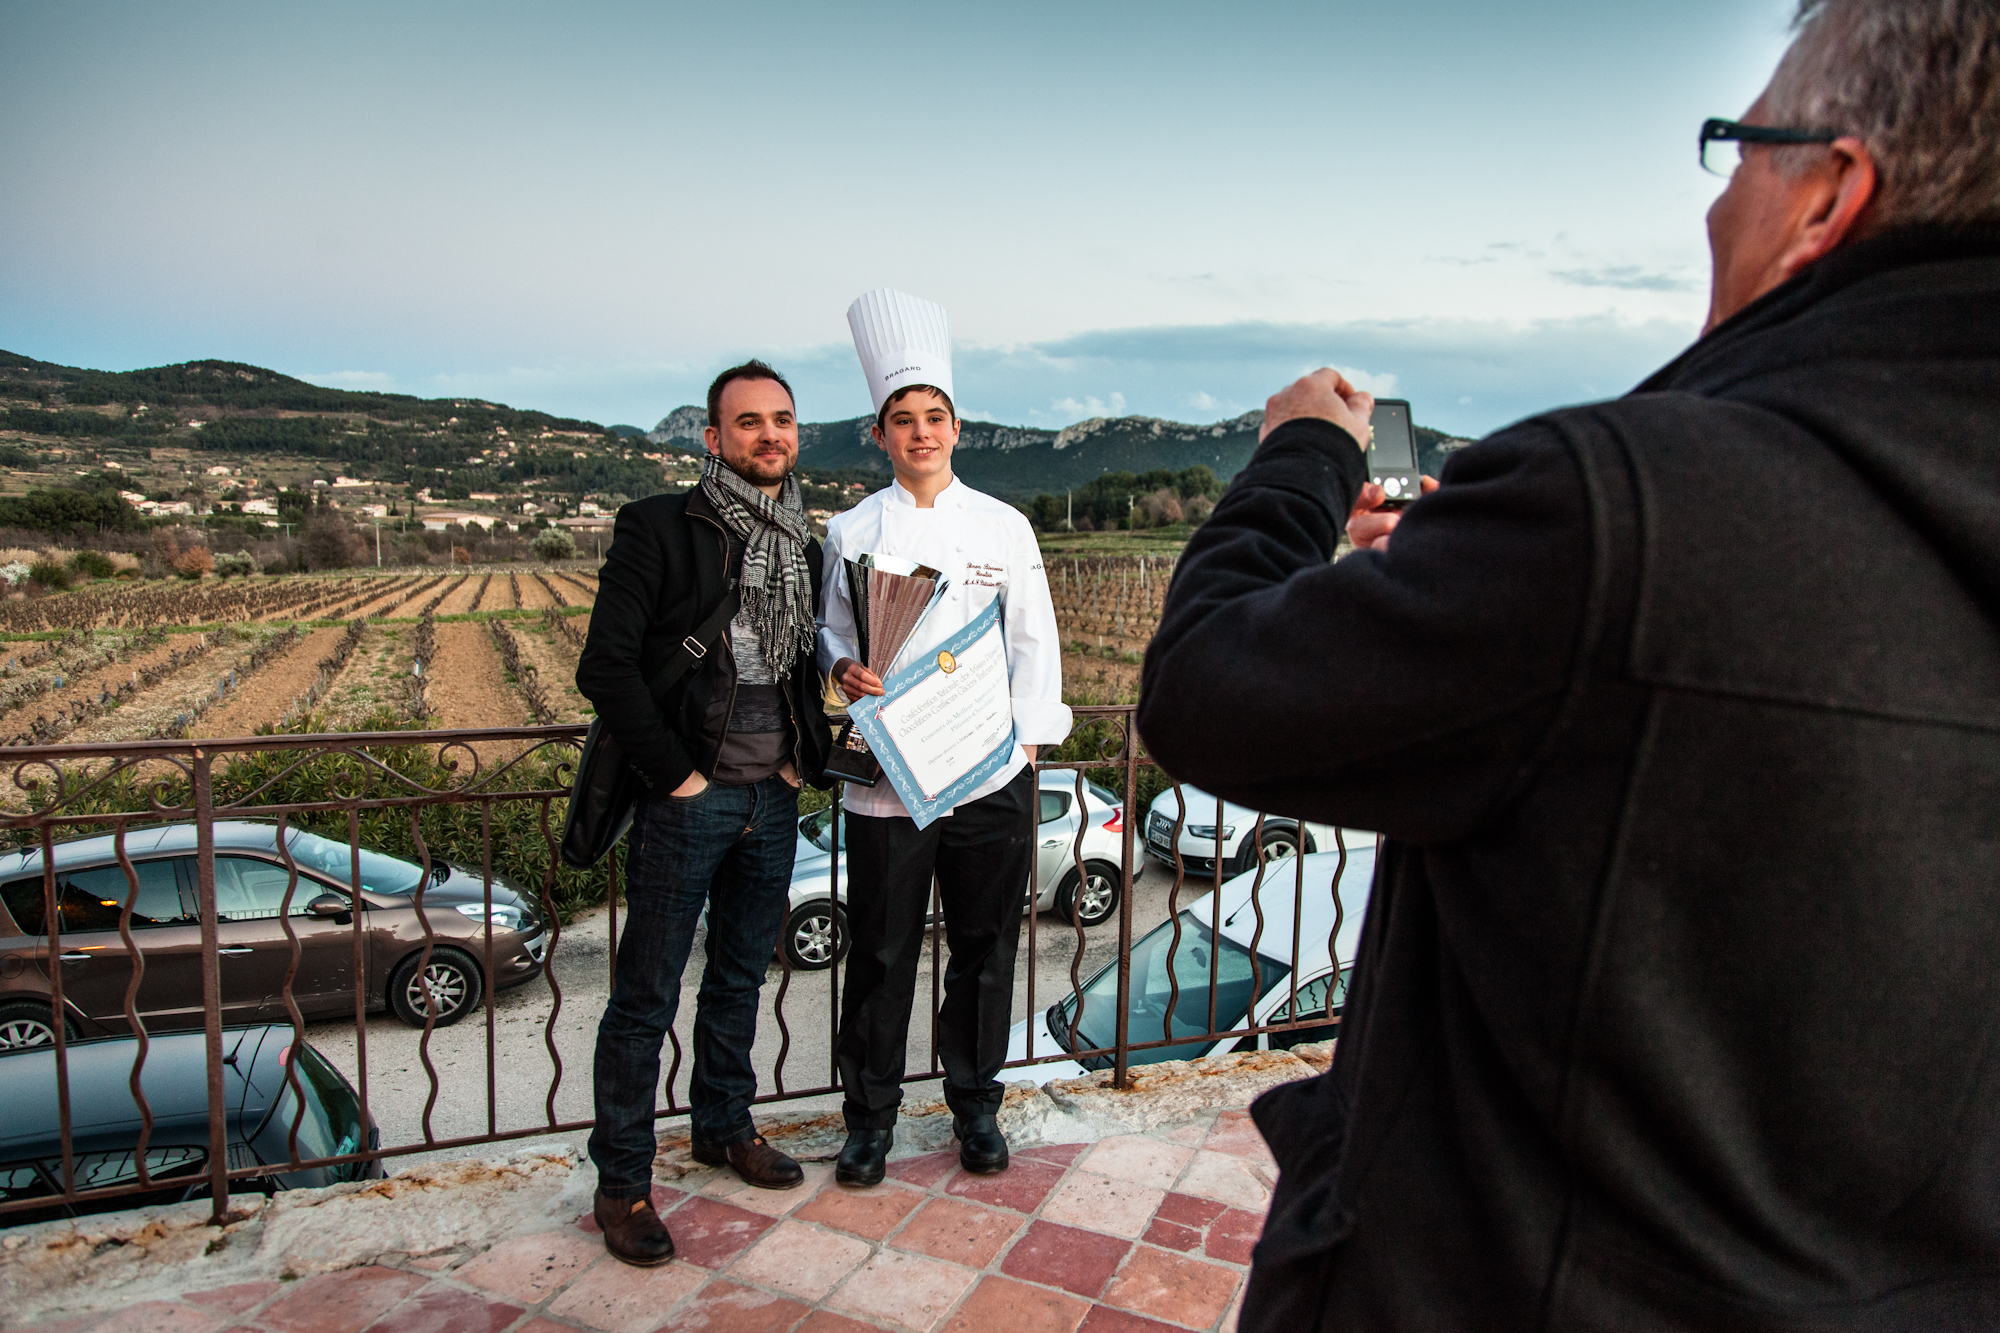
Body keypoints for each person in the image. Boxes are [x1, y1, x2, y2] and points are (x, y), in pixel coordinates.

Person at [1138, 1, 2000, 1327]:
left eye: (1739, 150)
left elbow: (1206, 687)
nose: (1715, 210)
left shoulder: (1628, 509)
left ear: (1829, 192)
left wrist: (1300, 455)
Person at [574, 360, 834, 1266]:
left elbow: (799, 662)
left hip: (773, 796)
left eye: (784, 420)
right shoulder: (659, 527)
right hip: (690, 803)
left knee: (737, 980)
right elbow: (604, 667)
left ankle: (723, 1125)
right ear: (714, 439)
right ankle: (623, 1183)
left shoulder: (805, 543)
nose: (771, 435)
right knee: (644, 999)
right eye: (750, 421)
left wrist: (803, 758)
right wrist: (677, 774)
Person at [819, 288, 1071, 1185]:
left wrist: (1028, 750)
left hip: (988, 774)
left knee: (984, 946)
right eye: (902, 419)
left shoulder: (1005, 527)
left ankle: (975, 1107)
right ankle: (870, 1120)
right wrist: (846, 669)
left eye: (934, 416)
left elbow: (1033, 640)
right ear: (879, 434)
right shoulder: (849, 531)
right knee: (881, 953)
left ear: (956, 428)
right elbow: (833, 637)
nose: (919, 432)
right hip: (888, 779)